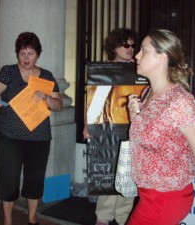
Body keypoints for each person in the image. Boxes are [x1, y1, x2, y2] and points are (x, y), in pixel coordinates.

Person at [127, 28, 195, 225]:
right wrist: (135, 118)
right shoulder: (147, 93)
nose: (136, 55)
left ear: (162, 57)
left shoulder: (180, 101)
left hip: (166, 198)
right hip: (148, 193)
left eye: (143, 50)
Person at [0, 32, 63, 225]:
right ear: (17, 54)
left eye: (31, 53)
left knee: (35, 178)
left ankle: (32, 218)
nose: (26, 58)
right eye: (22, 53)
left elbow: (58, 106)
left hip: (39, 136)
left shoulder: (46, 76)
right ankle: (8, 221)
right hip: (9, 134)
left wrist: (46, 97)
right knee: (9, 178)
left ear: (38, 54)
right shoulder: (9, 72)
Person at [83, 28, 138, 225]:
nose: (130, 49)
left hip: (132, 126)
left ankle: (124, 215)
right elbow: (94, 99)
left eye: (133, 45)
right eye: (126, 45)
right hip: (108, 125)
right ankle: (104, 216)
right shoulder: (104, 69)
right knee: (108, 169)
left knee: (129, 170)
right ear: (114, 47)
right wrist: (87, 125)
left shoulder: (138, 68)